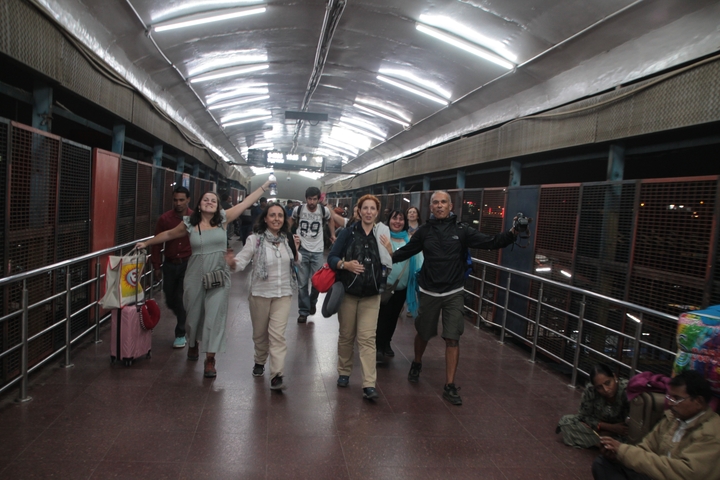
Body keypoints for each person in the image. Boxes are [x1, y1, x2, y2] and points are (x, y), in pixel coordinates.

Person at [392, 190, 518, 406]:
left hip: (453, 292)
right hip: (430, 291)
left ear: (451, 206)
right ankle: (418, 361)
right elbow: (405, 252)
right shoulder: (424, 232)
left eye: (443, 202)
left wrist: (513, 233)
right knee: (423, 332)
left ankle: (449, 385)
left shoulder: (462, 230)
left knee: (453, 337)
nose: (439, 206)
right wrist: (380, 261)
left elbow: (490, 241)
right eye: (435, 203)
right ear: (430, 207)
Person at [137, 179, 272, 378]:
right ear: (199, 204)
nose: (209, 202)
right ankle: (192, 343)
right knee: (192, 315)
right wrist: (147, 243)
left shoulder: (224, 219)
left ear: (217, 206)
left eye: (213, 200)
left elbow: (244, 204)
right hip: (195, 274)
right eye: (206, 200)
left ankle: (210, 359)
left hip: (218, 274)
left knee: (215, 317)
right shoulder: (189, 224)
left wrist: (264, 187)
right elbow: (167, 234)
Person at [227, 202, 301, 391]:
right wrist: (232, 263)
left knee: (277, 336)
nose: (276, 218)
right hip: (260, 293)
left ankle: (277, 375)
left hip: (283, 293)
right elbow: (242, 262)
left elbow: (295, 260)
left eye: (280, 215)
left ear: (284, 219)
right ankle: (259, 361)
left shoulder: (288, 239)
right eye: (272, 215)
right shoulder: (255, 240)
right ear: (265, 218)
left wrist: (297, 250)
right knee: (260, 335)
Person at [594, 370, 720, 480]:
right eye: (670, 398)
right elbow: (646, 448)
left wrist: (624, 451)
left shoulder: (711, 432)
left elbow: (685, 474)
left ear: (699, 401)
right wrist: (617, 454)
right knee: (603, 464)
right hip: (656, 476)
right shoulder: (672, 419)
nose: (671, 404)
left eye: (677, 399)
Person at [328, 194, 387, 401]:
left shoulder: (382, 234)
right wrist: (346, 265)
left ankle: (369, 384)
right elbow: (332, 257)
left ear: (377, 212)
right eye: (365, 208)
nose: (369, 212)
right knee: (346, 335)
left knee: (367, 338)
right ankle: (344, 372)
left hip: (372, 295)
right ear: (359, 211)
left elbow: (390, 259)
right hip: (349, 293)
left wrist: (390, 251)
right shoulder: (348, 233)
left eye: (373, 209)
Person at [376, 210, 422, 360]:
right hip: (383, 286)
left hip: (402, 288)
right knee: (382, 316)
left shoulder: (410, 240)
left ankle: (387, 343)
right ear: (389, 220)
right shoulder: (382, 237)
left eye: (401, 219)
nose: (397, 221)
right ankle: (378, 346)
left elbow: (419, 260)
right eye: (394, 218)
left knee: (393, 317)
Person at [151, 186, 192, 349]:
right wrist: (156, 265)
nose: (178, 203)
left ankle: (180, 332)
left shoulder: (195, 217)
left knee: (181, 297)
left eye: (182, 200)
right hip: (169, 264)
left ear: (188, 200)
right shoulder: (165, 219)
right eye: (175, 200)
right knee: (170, 298)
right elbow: (157, 243)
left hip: (188, 264)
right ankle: (185, 316)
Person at [290, 186, 335, 323]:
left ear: (318, 199)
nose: (311, 202)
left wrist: (332, 235)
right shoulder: (298, 210)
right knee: (302, 283)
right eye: (309, 199)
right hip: (302, 249)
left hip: (317, 251)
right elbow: (291, 221)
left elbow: (331, 219)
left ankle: (312, 302)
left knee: (317, 282)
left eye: (314, 199)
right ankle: (303, 311)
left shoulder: (323, 210)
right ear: (305, 198)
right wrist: (288, 235)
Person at [557, 364, 630, 448]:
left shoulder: (627, 391)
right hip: (599, 429)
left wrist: (617, 430)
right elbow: (583, 416)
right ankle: (604, 444)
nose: (606, 389)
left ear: (614, 377)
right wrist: (610, 427)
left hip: (621, 434)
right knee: (566, 422)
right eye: (599, 387)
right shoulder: (591, 390)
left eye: (608, 383)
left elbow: (633, 424)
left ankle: (606, 444)